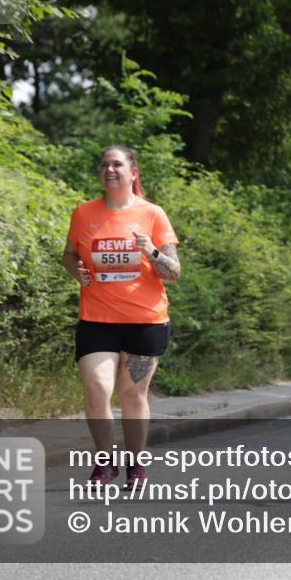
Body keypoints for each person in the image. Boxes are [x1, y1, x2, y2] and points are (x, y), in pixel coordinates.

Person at [62, 145, 181, 488]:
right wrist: (75, 271)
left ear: (133, 173)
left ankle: (136, 465)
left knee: (132, 395)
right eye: (104, 164)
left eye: (117, 164)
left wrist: (150, 250)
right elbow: (68, 255)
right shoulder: (83, 212)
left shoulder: (152, 214)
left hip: (145, 321)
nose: (109, 169)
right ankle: (104, 464)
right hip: (97, 319)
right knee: (97, 387)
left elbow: (174, 272)